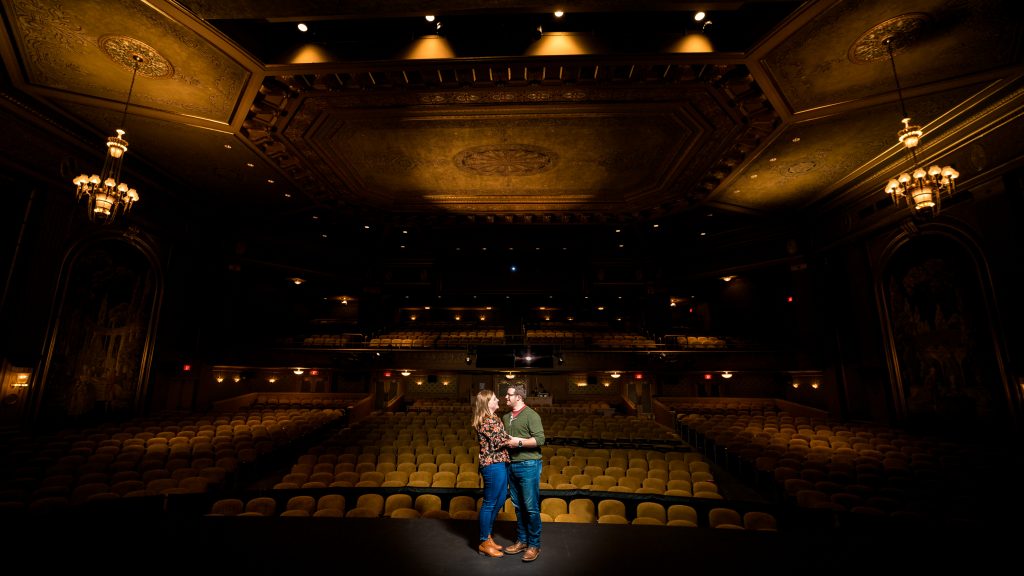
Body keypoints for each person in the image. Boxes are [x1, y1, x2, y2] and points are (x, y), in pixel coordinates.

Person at [501, 384, 545, 562]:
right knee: (518, 506)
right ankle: (522, 540)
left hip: (529, 464)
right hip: (511, 465)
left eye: (509, 395)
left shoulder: (531, 415)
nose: (506, 397)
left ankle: (534, 545)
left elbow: (540, 439)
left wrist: (518, 443)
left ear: (518, 397)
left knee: (531, 508)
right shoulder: (505, 417)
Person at [472, 389, 511, 558]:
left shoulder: (495, 418)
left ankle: (488, 535)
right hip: (492, 464)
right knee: (489, 502)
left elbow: (503, 437)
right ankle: (483, 541)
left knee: (501, 498)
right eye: (495, 399)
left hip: (500, 462)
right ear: (487, 403)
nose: (498, 401)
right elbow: (500, 440)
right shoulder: (487, 420)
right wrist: (522, 441)